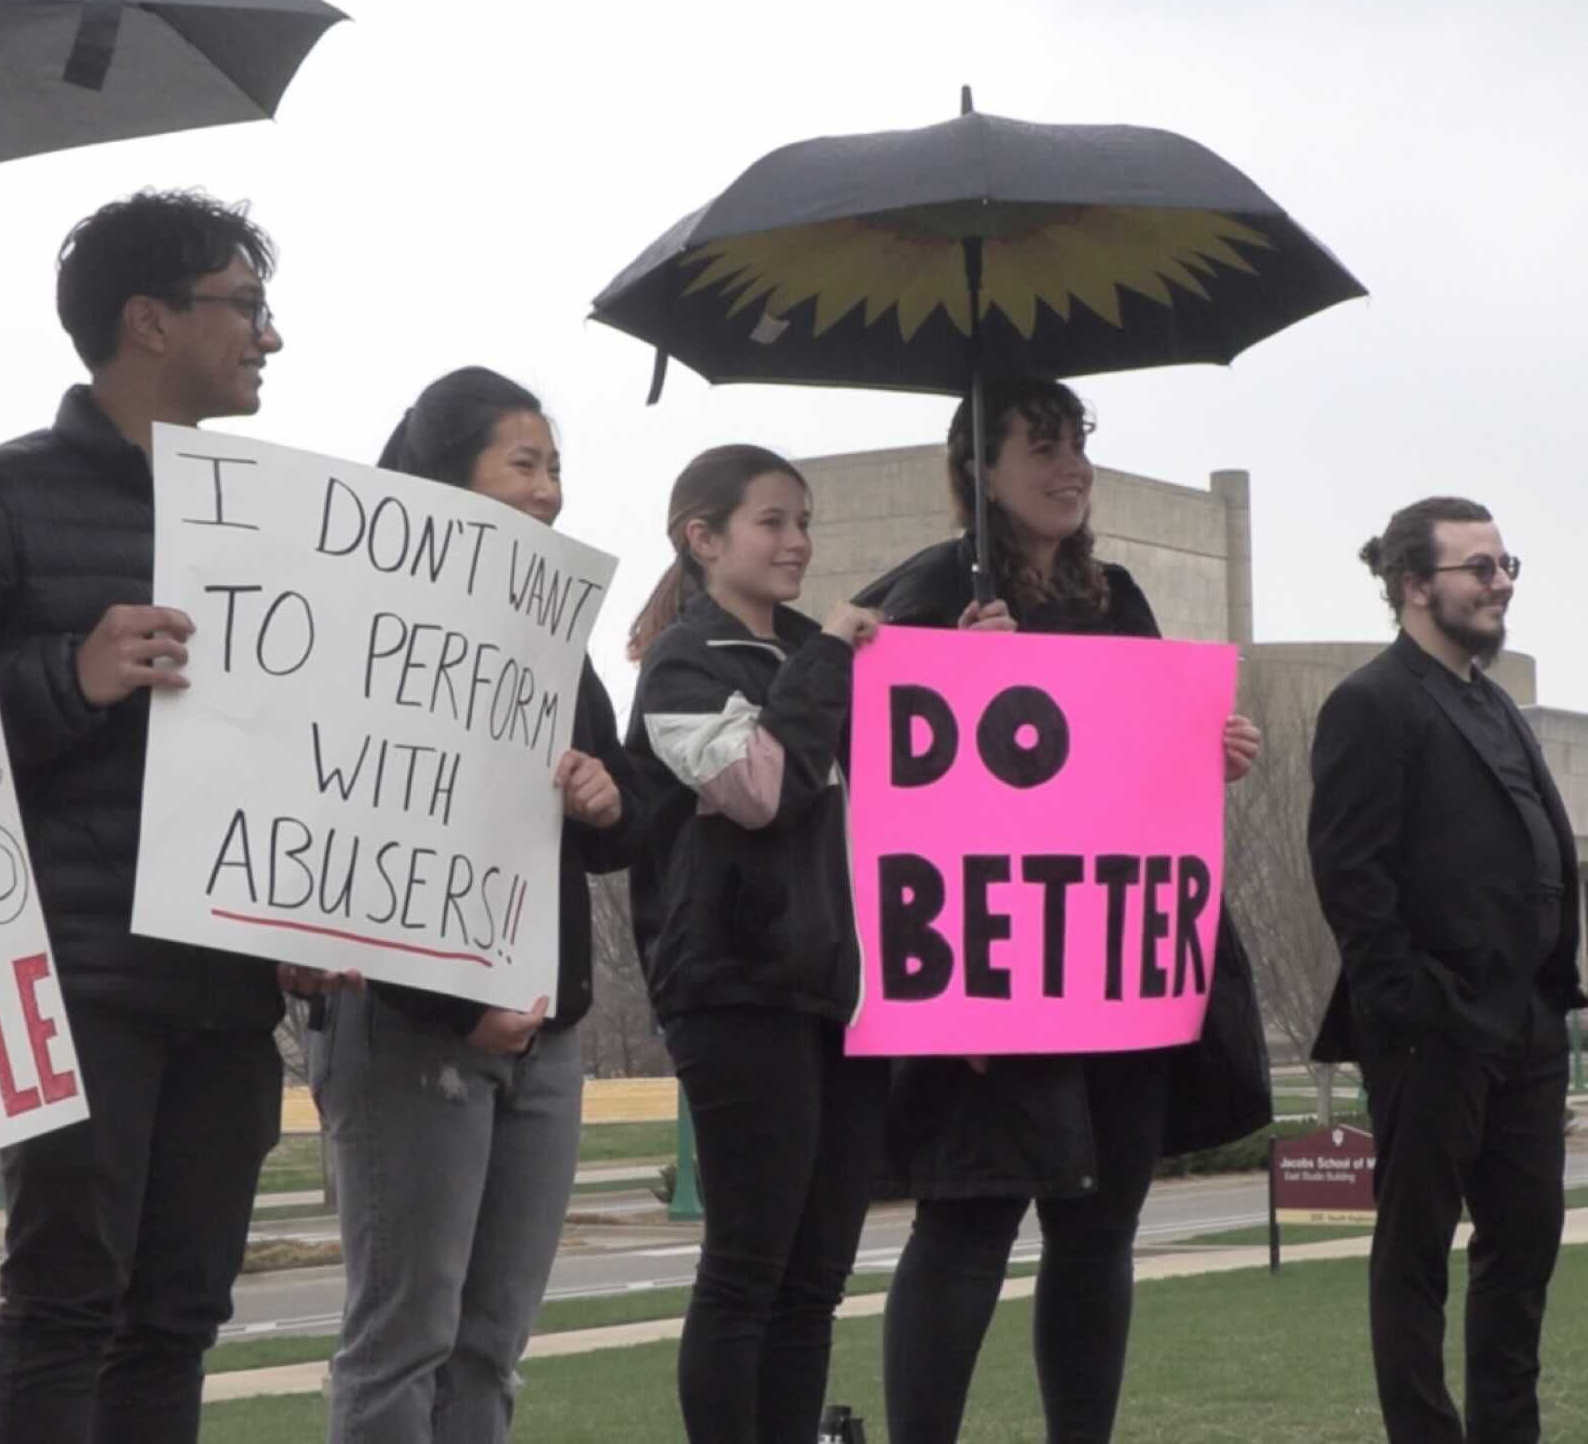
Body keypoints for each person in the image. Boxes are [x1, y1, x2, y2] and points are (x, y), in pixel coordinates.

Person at [0, 190, 289, 1444]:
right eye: (245, 305)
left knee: (181, 1316)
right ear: (148, 320)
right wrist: (67, 675)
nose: (270, 337)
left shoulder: (277, 516)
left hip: (233, 984)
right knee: (67, 1304)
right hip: (74, 976)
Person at [855, 376, 1270, 1444]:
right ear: (978, 472)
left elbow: (1135, 774)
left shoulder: (1114, 596)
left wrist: (1205, 755)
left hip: (1114, 979)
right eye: (1042, 446)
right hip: (990, 985)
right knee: (970, 1225)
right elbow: (874, 781)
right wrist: (959, 663)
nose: (1071, 464)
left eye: (1078, 440)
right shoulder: (926, 594)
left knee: (1099, 1233)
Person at [302, 367, 636, 1443]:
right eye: (524, 463)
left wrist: (601, 794)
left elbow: (618, 832)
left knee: (493, 1344)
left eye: (557, 468)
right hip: (409, 1033)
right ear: (452, 476)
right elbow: (347, 842)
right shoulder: (368, 621)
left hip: (546, 1033)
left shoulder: (556, 630)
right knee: (404, 1340)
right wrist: (454, 1004)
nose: (549, 491)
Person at [620, 443, 888, 1444]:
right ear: (704, 537)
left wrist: (964, 656)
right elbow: (759, 789)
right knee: (748, 1267)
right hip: (736, 989)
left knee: (817, 1278)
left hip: (846, 991)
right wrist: (827, 660)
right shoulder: (682, 663)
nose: (798, 542)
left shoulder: (823, 648)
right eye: (772, 521)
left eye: (804, 521)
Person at [1307, 497, 1582, 1444]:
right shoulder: (1372, 703)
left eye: (1507, 565)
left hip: (1532, 1026)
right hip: (1436, 1027)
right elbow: (1351, 876)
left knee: (1524, 1252)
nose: (1501, 583)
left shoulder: (1493, 701)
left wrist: (1552, 993)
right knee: (1415, 1258)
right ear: (1414, 585)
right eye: (1479, 568)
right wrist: (1413, 1006)